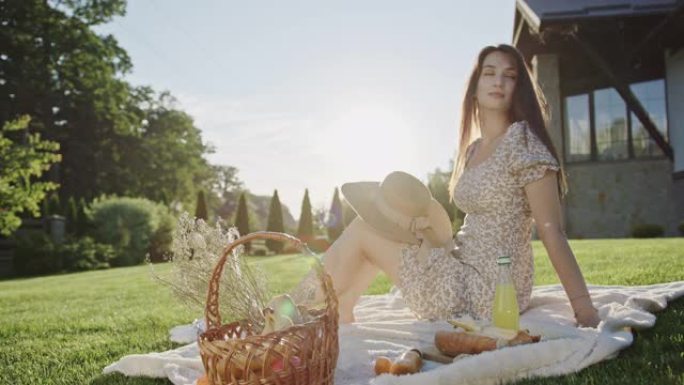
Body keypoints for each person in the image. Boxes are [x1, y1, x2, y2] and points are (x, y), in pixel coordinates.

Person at [292, 44, 600, 328]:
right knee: (375, 234)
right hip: (460, 264)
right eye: (489, 73)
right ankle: (340, 310)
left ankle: (289, 311)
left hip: (490, 288)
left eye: (509, 76)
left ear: (518, 88)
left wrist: (584, 309)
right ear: (475, 87)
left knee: (362, 231)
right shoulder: (474, 150)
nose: (498, 82)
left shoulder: (522, 143)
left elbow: (551, 230)